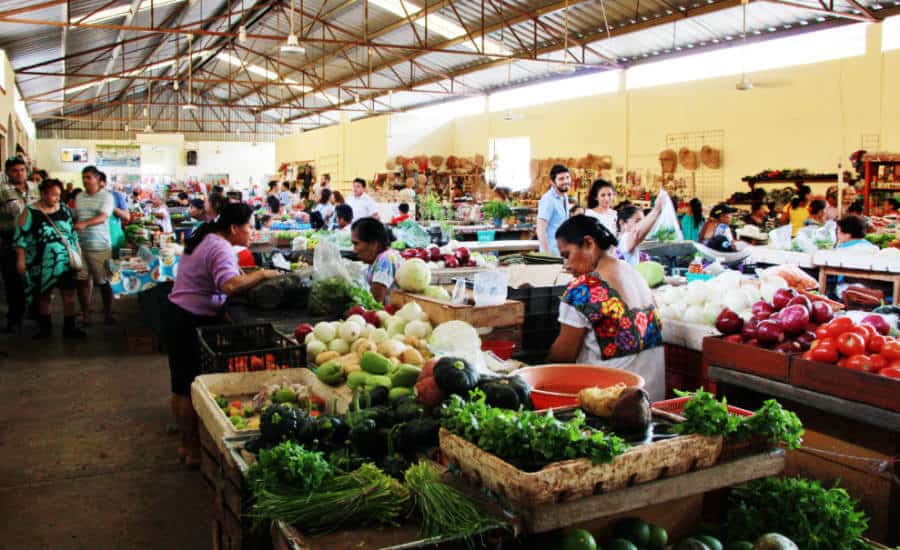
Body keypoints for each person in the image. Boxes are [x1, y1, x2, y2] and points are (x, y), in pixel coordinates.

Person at [167, 203, 280, 466]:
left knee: (181, 385)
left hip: (179, 313)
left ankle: (187, 447)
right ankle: (194, 452)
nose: (251, 232)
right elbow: (228, 285)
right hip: (189, 318)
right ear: (233, 228)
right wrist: (262, 273)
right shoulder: (220, 246)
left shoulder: (206, 237)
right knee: (186, 388)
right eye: (249, 226)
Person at [547, 216, 664, 401]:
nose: (566, 266)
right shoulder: (637, 276)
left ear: (588, 244)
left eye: (567, 255)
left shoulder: (583, 290)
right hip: (654, 402)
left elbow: (562, 358)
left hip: (611, 408)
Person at [14, 179, 85, 340]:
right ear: (43, 194)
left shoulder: (65, 210)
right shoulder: (30, 212)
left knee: (69, 295)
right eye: (54, 195)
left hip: (66, 262)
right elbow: (20, 238)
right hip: (41, 263)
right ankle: (45, 330)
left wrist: (78, 252)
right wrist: (21, 259)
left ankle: (70, 328)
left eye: (59, 195)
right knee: (44, 296)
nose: (57, 198)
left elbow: (72, 234)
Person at [1, 157, 39, 332]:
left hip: (33, 239)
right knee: (13, 279)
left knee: (35, 277)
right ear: (8, 172)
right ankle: (14, 318)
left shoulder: (34, 188)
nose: (19, 173)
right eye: (15, 170)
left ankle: (37, 312)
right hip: (9, 239)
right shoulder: (2, 190)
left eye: (22, 170)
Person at [74, 166, 115, 326]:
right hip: (80, 245)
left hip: (100, 246)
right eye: (84, 177)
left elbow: (104, 217)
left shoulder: (107, 197)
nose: (85, 180)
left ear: (98, 180)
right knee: (82, 280)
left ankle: (107, 313)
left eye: (89, 177)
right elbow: (76, 215)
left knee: (104, 281)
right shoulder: (79, 197)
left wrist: (84, 224)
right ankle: (85, 315)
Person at [351, 217, 402, 305]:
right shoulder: (377, 259)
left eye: (356, 244)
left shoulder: (386, 260)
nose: (354, 250)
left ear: (374, 244)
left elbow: (375, 302)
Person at [615, 191, 671, 266]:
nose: (641, 225)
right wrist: (657, 210)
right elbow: (637, 233)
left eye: (642, 221)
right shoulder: (624, 239)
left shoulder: (624, 239)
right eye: (637, 221)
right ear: (622, 223)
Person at [536, 164, 571, 255]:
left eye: (567, 177)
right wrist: (548, 255)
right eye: (561, 179)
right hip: (551, 253)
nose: (566, 181)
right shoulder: (548, 199)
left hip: (562, 251)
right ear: (552, 182)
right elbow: (540, 230)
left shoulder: (565, 197)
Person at [105, 176, 129, 258]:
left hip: (114, 239)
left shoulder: (116, 196)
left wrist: (112, 207)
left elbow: (127, 217)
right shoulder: (90, 199)